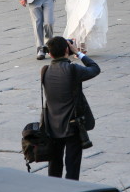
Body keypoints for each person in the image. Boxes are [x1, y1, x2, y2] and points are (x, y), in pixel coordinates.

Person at [42, 36, 100, 181]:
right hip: (72, 126)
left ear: (50, 54)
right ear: (67, 49)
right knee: (72, 167)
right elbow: (94, 69)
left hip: (52, 125)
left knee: (54, 167)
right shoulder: (72, 69)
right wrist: (78, 53)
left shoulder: (44, 70)